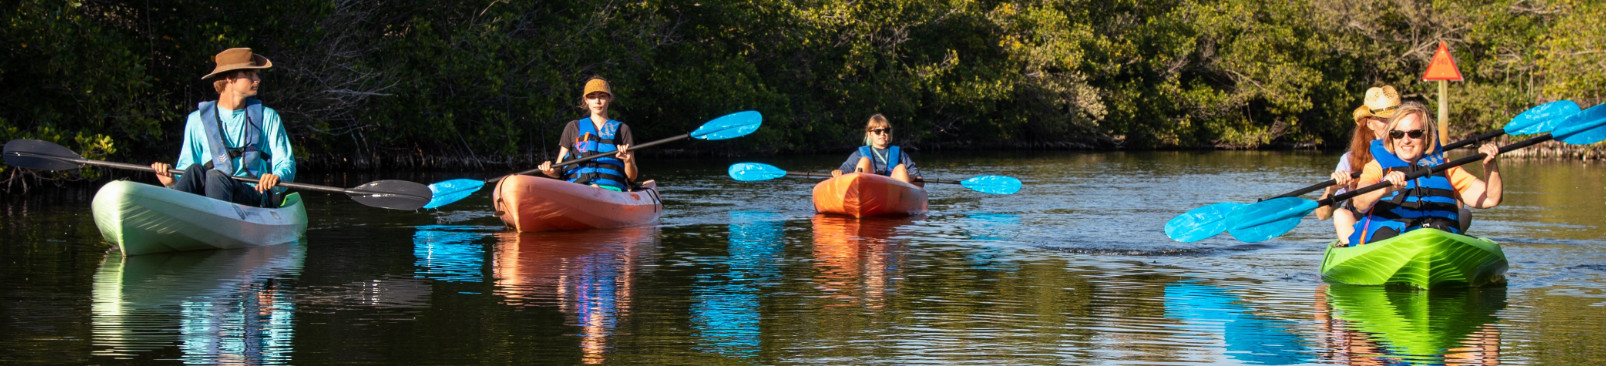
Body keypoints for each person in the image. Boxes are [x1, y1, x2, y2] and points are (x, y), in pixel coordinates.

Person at [151, 47, 295, 208]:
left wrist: (276, 178)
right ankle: (172, 210)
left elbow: (285, 163)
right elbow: (185, 167)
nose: (257, 79)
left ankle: (213, 222)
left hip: (252, 195)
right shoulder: (196, 120)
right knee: (195, 170)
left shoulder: (268, 117)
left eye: (256, 74)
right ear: (229, 78)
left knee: (214, 177)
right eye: (249, 74)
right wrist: (171, 182)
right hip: (210, 194)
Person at [1347, 101, 1501, 245]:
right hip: (1391, 240)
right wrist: (1384, 189)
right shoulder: (1377, 168)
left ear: (1426, 136)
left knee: (1441, 230)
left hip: (1438, 239)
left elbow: (1491, 199)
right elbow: (1360, 203)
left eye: (1414, 133)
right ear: (1391, 137)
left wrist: (1490, 166)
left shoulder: (1446, 168)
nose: (1405, 140)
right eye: (1398, 134)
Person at [1316, 86, 1399, 245]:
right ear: (1370, 123)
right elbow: (1322, 215)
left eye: (1395, 119)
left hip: (1404, 223)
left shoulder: (1413, 155)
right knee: (1340, 213)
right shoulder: (1350, 160)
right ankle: (1353, 250)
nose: (1390, 125)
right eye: (1383, 119)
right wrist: (1332, 189)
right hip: (1365, 229)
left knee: (1462, 212)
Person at [538, 77, 637, 191]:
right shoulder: (573, 127)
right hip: (576, 189)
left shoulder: (622, 129)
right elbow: (558, 170)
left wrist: (628, 161)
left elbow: (632, 177)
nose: (597, 101)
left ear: (609, 98)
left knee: (595, 188)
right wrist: (550, 171)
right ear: (586, 99)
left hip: (611, 191)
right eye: (592, 97)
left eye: (602, 96)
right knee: (590, 188)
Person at [830, 114, 921, 184]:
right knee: (864, 162)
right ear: (870, 134)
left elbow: (919, 180)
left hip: (892, 194)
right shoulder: (858, 154)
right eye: (878, 131)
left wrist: (911, 177)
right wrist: (838, 172)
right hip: (868, 193)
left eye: (886, 130)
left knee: (901, 168)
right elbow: (842, 171)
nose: (882, 134)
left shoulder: (900, 154)